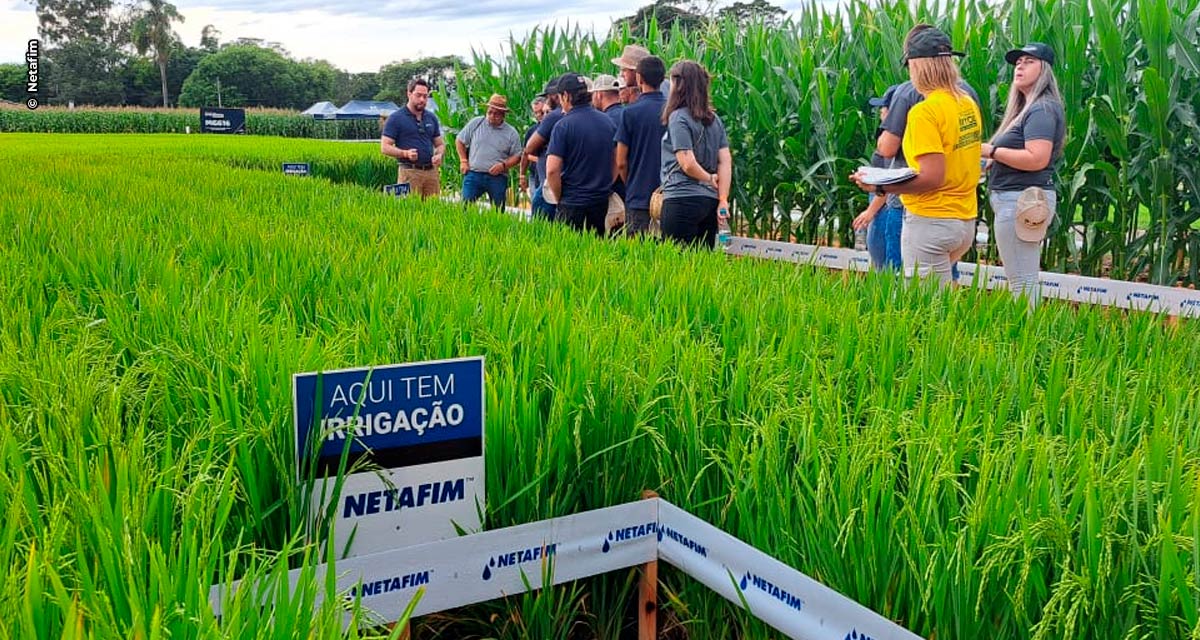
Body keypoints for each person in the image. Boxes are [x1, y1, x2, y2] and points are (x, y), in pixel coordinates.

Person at [851, 25, 982, 285]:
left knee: (925, 310)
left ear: (916, 66)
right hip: (964, 220)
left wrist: (879, 186)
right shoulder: (966, 103)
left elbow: (932, 177)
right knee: (942, 306)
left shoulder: (925, 111)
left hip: (931, 220)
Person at [981, 43, 1066, 307]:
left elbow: (1036, 158)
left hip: (1021, 200)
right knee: (1021, 278)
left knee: (1022, 281)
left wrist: (992, 151)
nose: (1020, 65)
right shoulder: (1027, 109)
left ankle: (1029, 339)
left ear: (1045, 70)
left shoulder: (1041, 109)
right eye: (1018, 62)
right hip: (1018, 200)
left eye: (1029, 61)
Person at [658, 60, 732, 248]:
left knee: (677, 265)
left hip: (681, 198)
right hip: (709, 203)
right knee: (700, 264)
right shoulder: (714, 120)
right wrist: (723, 198)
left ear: (678, 84)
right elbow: (725, 161)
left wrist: (708, 178)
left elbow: (687, 162)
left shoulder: (679, 117)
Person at [546, 73, 617, 236]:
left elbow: (552, 170)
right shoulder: (607, 122)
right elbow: (617, 161)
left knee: (569, 255)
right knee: (594, 251)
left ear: (566, 96)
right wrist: (605, 187)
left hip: (571, 202)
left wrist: (559, 198)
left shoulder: (563, 126)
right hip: (600, 202)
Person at [852, 84, 904, 270]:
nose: (881, 111)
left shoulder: (894, 141)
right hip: (881, 200)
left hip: (884, 204)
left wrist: (870, 212)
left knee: (885, 264)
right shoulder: (888, 136)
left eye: (884, 107)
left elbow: (890, 180)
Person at [615, 55, 667, 237]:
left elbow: (620, 161)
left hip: (638, 195)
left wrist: (632, 183)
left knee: (639, 255)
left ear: (639, 78)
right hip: (668, 194)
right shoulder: (673, 111)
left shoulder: (629, 113)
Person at [456, 93, 523, 211]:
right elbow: (460, 141)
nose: (492, 116)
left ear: (503, 115)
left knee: (497, 211)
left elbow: (517, 156)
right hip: (474, 174)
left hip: (497, 177)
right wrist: (463, 161)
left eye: (496, 114)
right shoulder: (476, 123)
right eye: (490, 112)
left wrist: (503, 165)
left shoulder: (511, 133)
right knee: (465, 208)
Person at [381, 78, 445, 199]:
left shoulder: (431, 118)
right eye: (418, 95)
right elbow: (385, 147)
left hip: (431, 173)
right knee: (409, 211)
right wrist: (405, 153)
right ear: (409, 94)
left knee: (434, 211)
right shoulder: (396, 118)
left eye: (425, 96)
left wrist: (439, 155)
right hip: (409, 172)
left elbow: (440, 144)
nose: (422, 99)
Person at [522, 76, 566, 221]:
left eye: (547, 97)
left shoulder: (554, 116)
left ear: (555, 95)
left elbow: (529, 147)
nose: (547, 101)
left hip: (551, 183)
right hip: (574, 183)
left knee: (542, 225)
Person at [592, 74, 627, 202]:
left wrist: (608, 185)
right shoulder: (628, 114)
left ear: (599, 94)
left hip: (615, 186)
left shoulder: (604, 121)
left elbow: (616, 156)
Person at [521, 96, 548, 199]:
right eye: (536, 113)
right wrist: (522, 175)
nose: (539, 116)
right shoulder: (532, 131)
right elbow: (525, 153)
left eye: (541, 112)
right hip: (533, 174)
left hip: (548, 174)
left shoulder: (556, 127)